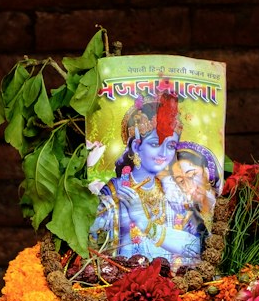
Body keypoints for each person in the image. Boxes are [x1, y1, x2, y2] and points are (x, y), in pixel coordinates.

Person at [88, 92, 209, 265]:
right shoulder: (113, 193)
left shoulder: (175, 193)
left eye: (170, 145)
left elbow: (196, 247)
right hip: (123, 284)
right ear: (137, 146)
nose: (163, 153)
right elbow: (92, 241)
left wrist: (147, 225)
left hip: (173, 285)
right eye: (155, 144)